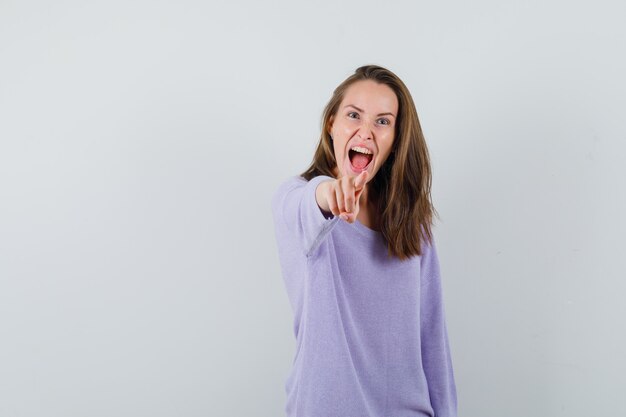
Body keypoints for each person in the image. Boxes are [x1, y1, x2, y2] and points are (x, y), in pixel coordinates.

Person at [271, 64, 457, 417]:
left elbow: (432, 337)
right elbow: (307, 205)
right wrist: (330, 194)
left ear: (396, 139)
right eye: (353, 115)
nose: (365, 131)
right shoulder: (297, 200)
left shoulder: (412, 225)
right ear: (332, 124)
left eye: (383, 121)